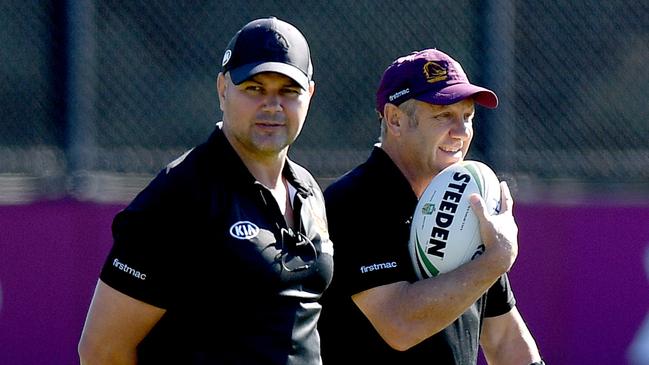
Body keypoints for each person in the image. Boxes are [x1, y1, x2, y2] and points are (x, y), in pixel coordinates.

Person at [78, 17, 333, 365]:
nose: (272, 106)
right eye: (254, 89)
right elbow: (101, 350)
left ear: (310, 95)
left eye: (288, 91)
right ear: (222, 88)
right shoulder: (181, 195)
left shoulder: (307, 190)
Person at [319, 49, 543, 364]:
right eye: (443, 115)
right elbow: (400, 324)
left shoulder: (469, 204)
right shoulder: (354, 201)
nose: (462, 132)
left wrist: (492, 261)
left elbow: (504, 339)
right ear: (395, 119)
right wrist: (496, 259)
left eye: (467, 116)